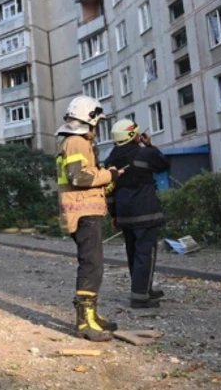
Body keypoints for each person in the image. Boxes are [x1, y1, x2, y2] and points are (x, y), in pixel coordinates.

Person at [57, 95, 124, 342]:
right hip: (83, 213)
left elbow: (83, 180)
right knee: (91, 265)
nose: (97, 130)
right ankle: (85, 322)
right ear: (90, 119)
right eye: (97, 123)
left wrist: (108, 181)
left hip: (84, 210)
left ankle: (92, 317)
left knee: (93, 264)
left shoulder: (74, 141)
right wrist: (109, 175)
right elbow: (79, 178)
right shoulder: (76, 142)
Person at [104, 119, 171, 309]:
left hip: (124, 214)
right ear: (134, 135)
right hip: (145, 211)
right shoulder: (144, 153)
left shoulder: (110, 160)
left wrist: (114, 215)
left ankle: (142, 288)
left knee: (133, 253)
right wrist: (150, 145)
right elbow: (164, 165)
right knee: (146, 253)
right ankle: (141, 295)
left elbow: (109, 191)